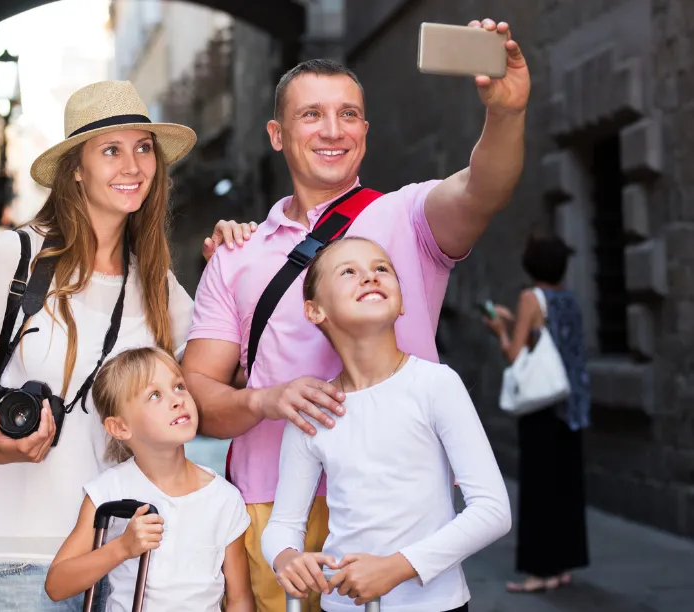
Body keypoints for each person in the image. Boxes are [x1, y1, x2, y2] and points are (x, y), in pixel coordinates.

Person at [182, 18, 529, 611]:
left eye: (347, 114)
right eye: (311, 114)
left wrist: (506, 114)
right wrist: (267, 401)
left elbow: (483, 189)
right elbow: (197, 397)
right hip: (272, 503)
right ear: (276, 133)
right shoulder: (236, 255)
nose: (332, 130)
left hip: (395, 504)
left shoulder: (408, 215)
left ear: (365, 131)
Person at [0, 80, 253, 611]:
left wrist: (236, 266)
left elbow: (223, 376)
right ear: (76, 169)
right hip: (17, 556)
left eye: (143, 148)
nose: (133, 166)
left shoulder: (156, 284)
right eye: (111, 150)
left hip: (119, 563)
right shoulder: (16, 259)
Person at [263, 236, 511, 612]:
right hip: (342, 605)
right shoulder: (314, 408)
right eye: (349, 271)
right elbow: (284, 522)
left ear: (401, 301)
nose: (370, 277)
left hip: (435, 605)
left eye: (382, 269)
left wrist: (397, 568)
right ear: (315, 311)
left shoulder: (434, 385)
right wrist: (286, 557)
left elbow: (492, 510)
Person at [45, 347, 253, 611]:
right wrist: (123, 547)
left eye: (179, 386)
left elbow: (239, 598)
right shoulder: (109, 491)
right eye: (155, 395)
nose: (177, 400)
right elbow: (57, 584)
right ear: (120, 427)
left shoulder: (224, 498)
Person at [482, 234, 590, 594]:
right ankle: (561, 567)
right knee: (565, 488)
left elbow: (517, 358)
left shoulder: (531, 297)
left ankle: (538, 573)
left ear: (530, 266)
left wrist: (500, 330)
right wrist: (521, 327)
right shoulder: (569, 299)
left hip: (542, 410)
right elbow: (549, 348)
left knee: (539, 489)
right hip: (570, 407)